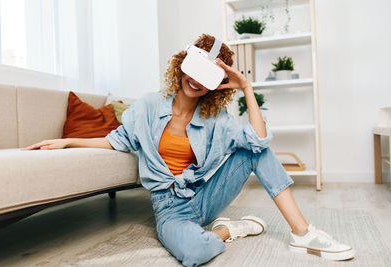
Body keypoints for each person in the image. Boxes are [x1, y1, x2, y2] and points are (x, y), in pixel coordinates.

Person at [22, 34, 354, 266]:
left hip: (206, 195)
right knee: (195, 252)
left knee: (255, 150)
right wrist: (67, 141)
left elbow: (258, 141)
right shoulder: (150, 106)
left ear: (216, 83)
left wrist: (248, 88)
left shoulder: (215, 117)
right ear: (183, 63)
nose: (196, 82)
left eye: (208, 77)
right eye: (194, 70)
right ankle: (231, 228)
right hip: (170, 208)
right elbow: (117, 140)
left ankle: (303, 233)